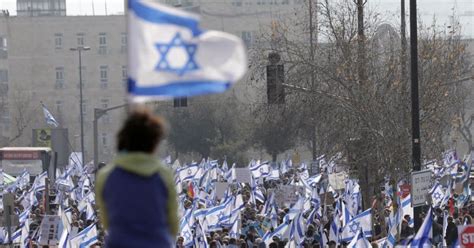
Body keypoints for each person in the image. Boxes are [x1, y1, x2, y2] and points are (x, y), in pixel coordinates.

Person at [96, 108, 178, 247]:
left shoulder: (105, 176)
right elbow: (173, 223)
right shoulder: (164, 174)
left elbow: (106, 221)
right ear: (153, 143)